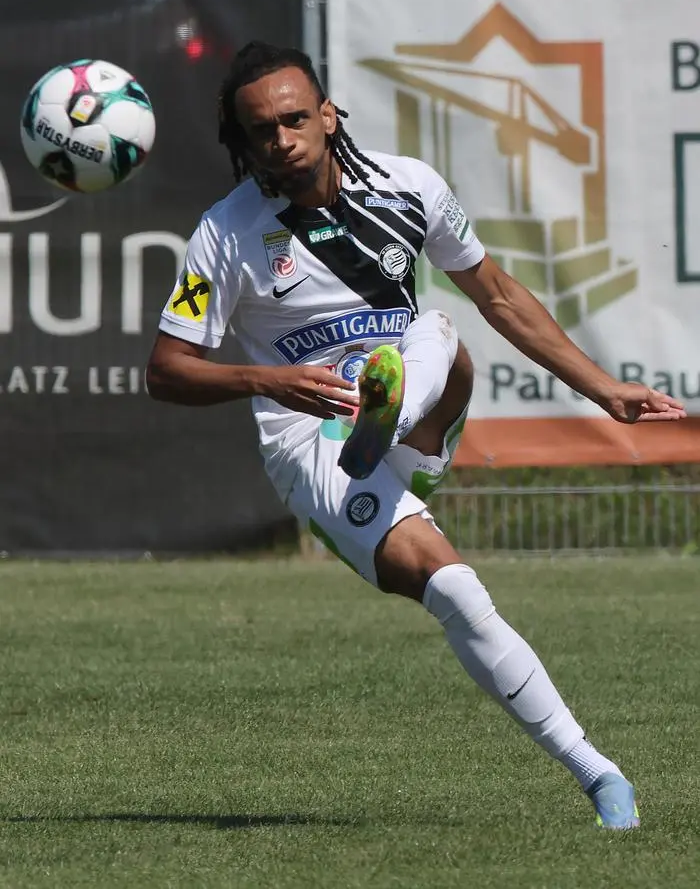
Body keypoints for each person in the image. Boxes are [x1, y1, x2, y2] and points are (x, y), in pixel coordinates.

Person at [146, 41, 686, 830]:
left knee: (437, 328)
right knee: (458, 591)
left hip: (413, 400)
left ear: (328, 116)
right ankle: (602, 775)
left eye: (296, 119)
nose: (281, 139)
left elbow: (498, 295)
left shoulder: (410, 187)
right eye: (260, 130)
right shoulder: (224, 234)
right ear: (243, 142)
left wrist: (604, 390)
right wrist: (269, 378)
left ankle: (385, 414)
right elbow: (165, 370)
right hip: (310, 439)